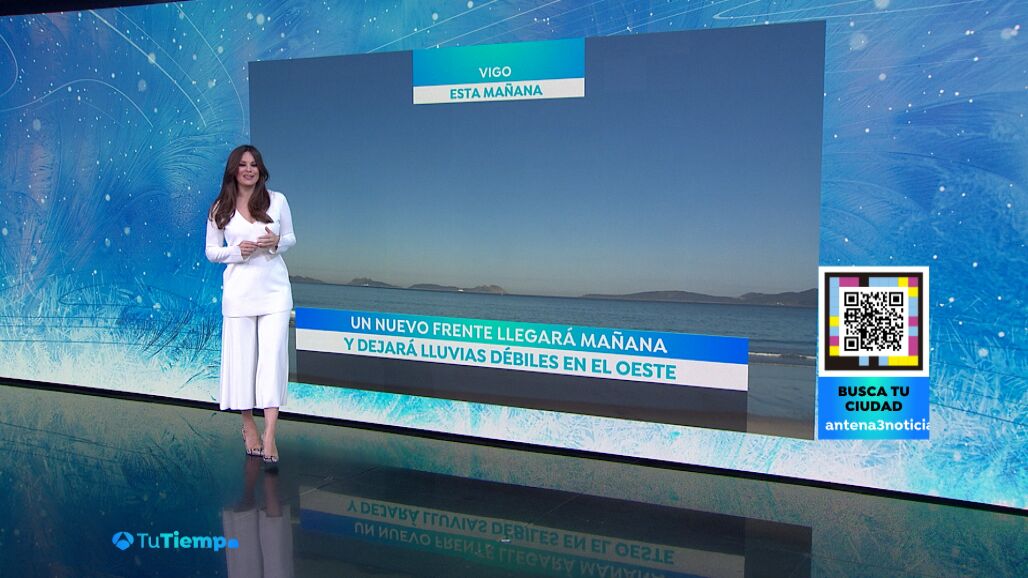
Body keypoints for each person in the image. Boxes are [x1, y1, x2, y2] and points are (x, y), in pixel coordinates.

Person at [205, 144, 295, 465]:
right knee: (243, 363)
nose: (248, 169)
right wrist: (236, 252)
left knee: (272, 359)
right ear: (233, 169)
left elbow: (290, 238)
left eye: (254, 164)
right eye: (243, 164)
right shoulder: (220, 208)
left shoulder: (277, 200)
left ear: (261, 169)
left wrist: (276, 242)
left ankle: (270, 432)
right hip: (239, 294)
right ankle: (248, 424)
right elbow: (211, 251)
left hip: (275, 292)